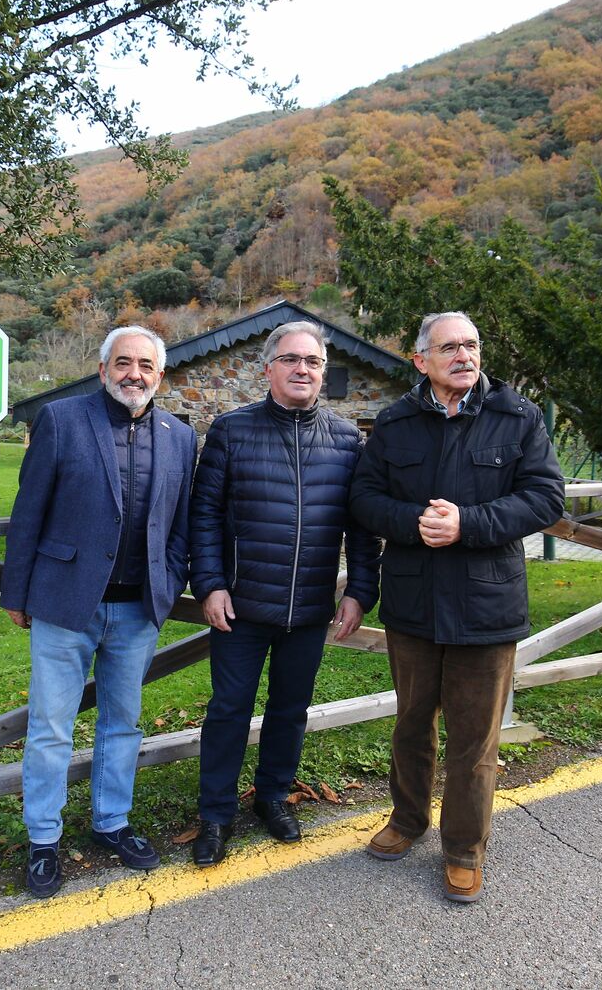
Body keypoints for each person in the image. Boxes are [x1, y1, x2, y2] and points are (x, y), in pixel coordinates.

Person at [349, 310, 563, 903]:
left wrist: (469, 524)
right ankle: (408, 820)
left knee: (475, 739)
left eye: (471, 345)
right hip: (414, 604)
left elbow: (545, 498)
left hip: (485, 606)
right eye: (449, 347)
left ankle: (465, 847)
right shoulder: (395, 423)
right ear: (422, 360)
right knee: (413, 724)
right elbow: (364, 499)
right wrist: (415, 524)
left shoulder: (517, 417)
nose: (464, 356)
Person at [0, 325, 198, 899]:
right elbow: (28, 512)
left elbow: (181, 523)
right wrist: (16, 593)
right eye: (123, 362)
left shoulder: (180, 436)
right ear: (104, 366)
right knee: (50, 729)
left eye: (145, 365)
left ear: (159, 375)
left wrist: (172, 577)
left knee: (123, 724)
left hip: (138, 610)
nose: (133, 373)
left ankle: (113, 823)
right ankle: (43, 839)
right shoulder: (61, 421)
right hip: (65, 605)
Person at [187, 321, 380, 866]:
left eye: (313, 362)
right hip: (242, 605)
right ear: (268, 367)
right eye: (291, 359)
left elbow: (362, 527)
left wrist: (360, 590)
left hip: (312, 603)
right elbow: (203, 514)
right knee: (229, 709)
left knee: (290, 709)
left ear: (323, 371)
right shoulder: (231, 430)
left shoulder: (346, 440)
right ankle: (217, 813)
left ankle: (273, 796)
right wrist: (210, 583)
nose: (303, 369)